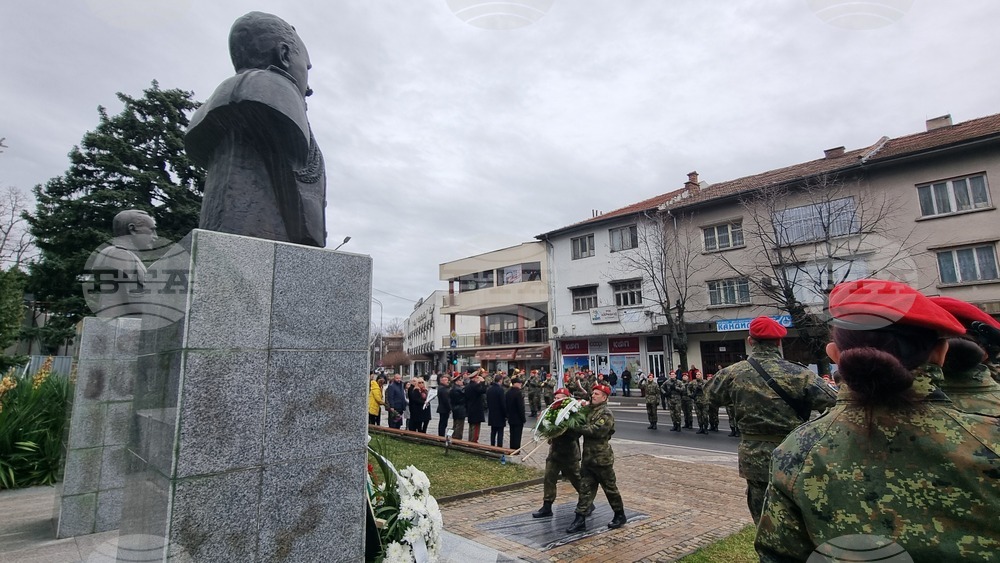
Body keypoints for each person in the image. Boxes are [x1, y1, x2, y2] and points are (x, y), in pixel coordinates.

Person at [756, 279, 1000, 561]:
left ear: (834, 354)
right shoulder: (990, 438)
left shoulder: (799, 450)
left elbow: (779, 554)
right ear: (941, 353)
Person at [186, 12, 326, 247]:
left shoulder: (224, 99)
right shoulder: (268, 91)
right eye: (307, 67)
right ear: (284, 55)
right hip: (253, 241)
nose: (309, 86)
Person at [705, 316, 836, 524]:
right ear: (778, 342)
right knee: (800, 514)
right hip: (794, 453)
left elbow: (708, 397)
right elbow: (835, 402)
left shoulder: (732, 373)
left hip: (754, 457)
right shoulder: (800, 374)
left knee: (763, 518)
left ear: (750, 341)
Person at [566, 384, 627, 534]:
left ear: (604, 397)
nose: (593, 395)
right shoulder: (590, 411)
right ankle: (580, 519)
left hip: (601, 459)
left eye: (597, 394)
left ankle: (619, 515)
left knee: (610, 489)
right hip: (588, 459)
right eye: (593, 393)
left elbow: (595, 431)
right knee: (585, 489)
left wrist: (574, 426)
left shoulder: (606, 414)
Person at [84, 209, 158, 318]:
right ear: (132, 229)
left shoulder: (125, 255)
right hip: (119, 321)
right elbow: (133, 300)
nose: (155, 237)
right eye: (152, 230)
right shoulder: (119, 255)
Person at [532, 388, 583, 519]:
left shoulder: (573, 412)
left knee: (576, 479)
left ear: (566, 399)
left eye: (559, 398)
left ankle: (587, 502)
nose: (556, 400)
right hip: (555, 452)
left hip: (569, 453)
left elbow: (577, 433)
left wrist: (563, 430)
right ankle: (547, 506)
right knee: (549, 478)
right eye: (555, 398)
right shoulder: (551, 411)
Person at [464, 372, 487, 443]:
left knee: (471, 426)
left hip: (470, 408)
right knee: (476, 427)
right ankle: (474, 441)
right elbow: (483, 390)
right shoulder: (475, 386)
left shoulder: (468, 386)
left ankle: (471, 440)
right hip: (476, 409)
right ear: (474, 378)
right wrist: (483, 382)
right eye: (477, 378)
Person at [486, 374, 508, 447]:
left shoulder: (489, 389)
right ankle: (499, 447)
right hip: (500, 414)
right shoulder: (500, 390)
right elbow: (503, 403)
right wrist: (506, 414)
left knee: (493, 431)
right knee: (500, 432)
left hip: (492, 413)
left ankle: (492, 445)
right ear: (500, 380)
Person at [506, 377, 527, 450]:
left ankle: (511, 448)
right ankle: (516, 449)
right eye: (519, 383)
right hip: (518, 418)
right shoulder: (518, 393)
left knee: (512, 434)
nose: (521, 384)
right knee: (517, 435)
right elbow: (520, 407)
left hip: (511, 417)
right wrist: (523, 418)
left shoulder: (508, 392)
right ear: (515, 383)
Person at [449, 375, 467, 440]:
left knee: (455, 424)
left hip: (455, 409)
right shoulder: (458, 389)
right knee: (459, 426)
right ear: (456, 382)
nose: (462, 381)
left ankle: (453, 437)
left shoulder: (453, 389)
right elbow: (463, 399)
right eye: (460, 380)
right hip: (460, 409)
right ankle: (457, 439)